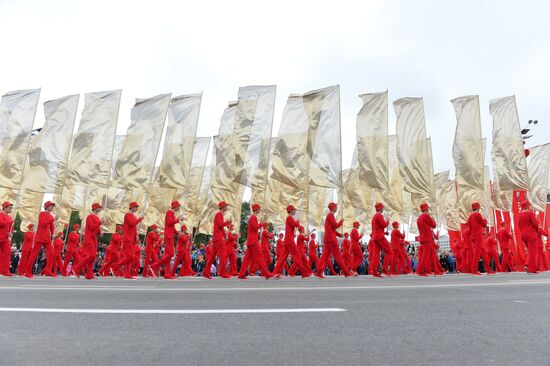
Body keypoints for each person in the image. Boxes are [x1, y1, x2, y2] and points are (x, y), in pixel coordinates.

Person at [318, 202, 355, 278]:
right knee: (338, 256)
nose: (337, 207)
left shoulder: (329, 216)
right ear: (333, 207)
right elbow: (335, 225)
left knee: (324, 256)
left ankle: (319, 271)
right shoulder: (330, 215)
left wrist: (339, 235)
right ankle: (346, 272)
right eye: (336, 206)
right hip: (331, 240)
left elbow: (331, 229)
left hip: (328, 239)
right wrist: (341, 221)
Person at [237, 203, 273, 279]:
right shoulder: (253, 217)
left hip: (251, 241)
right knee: (259, 257)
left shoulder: (253, 217)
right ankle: (266, 273)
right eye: (259, 208)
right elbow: (255, 228)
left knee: (247, 259)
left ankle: (241, 274)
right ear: (256, 209)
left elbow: (254, 228)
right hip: (253, 241)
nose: (260, 209)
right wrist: (262, 223)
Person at [152, 201, 184, 279]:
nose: (179, 207)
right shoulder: (169, 212)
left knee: (168, 255)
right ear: (175, 206)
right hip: (169, 236)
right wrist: (178, 219)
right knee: (171, 254)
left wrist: (177, 233)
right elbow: (170, 222)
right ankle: (154, 265)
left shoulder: (172, 213)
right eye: (178, 206)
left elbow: (172, 226)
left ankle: (167, 274)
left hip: (170, 235)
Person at [25, 201, 57, 278]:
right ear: (47, 206)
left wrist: (52, 233)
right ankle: (28, 272)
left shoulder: (50, 215)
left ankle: (47, 271)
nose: (52, 207)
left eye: (52, 206)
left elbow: (51, 226)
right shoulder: (42, 214)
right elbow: (43, 223)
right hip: (40, 236)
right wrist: (53, 219)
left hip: (47, 237)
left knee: (51, 254)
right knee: (34, 255)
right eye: (51, 205)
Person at [73, 203, 102, 279]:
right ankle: (77, 267)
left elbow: (97, 230)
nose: (100, 208)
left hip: (94, 238)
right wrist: (99, 223)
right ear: (95, 208)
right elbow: (92, 227)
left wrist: (100, 232)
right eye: (99, 207)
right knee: (91, 255)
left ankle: (89, 274)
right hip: (89, 238)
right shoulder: (90, 217)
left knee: (93, 257)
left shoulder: (98, 218)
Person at [203, 201, 232, 279]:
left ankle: (206, 272)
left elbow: (220, 227)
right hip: (218, 238)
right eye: (225, 206)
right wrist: (227, 222)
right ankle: (223, 273)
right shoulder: (219, 214)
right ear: (222, 207)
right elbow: (220, 225)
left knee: (212, 256)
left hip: (217, 237)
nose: (226, 207)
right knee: (223, 256)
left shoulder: (220, 214)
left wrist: (224, 235)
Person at [118, 202, 143, 279]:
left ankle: (127, 273)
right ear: (131, 207)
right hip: (127, 238)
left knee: (130, 258)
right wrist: (140, 219)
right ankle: (116, 265)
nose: (136, 208)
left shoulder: (134, 216)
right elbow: (132, 224)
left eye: (137, 207)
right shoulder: (127, 215)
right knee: (131, 256)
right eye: (135, 207)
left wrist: (136, 236)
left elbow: (134, 228)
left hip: (132, 239)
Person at [416, 203, 442, 276]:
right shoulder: (426, 215)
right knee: (426, 255)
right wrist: (433, 220)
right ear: (426, 209)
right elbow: (434, 225)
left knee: (433, 255)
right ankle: (421, 271)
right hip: (428, 238)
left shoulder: (418, 218)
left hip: (424, 238)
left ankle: (437, 270)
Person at [467, 202, 493, 275]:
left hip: (473, 236)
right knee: (477, 254)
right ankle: (474, 270)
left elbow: (470, 229)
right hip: (478, 236)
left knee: (483, 253)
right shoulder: (477, 214)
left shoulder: (470, 216)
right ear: (478, 208)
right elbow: (484, 224)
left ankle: (488, 269)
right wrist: (485, 219)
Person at [369, 202, 392, 277]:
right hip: (380, 237)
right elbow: (384, 225)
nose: (383, 209)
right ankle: (384, 270)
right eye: (382, 208)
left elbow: (377, 228)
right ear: (380, 208)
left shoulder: (374, 216)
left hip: (375, 237)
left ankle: (374, 271)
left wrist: (384, 233)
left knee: (375, 255)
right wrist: (388, 220)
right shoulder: (379, 215)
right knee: (389, 252)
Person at [518, 200, 539, 274]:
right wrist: (536, 231)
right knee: (533, 252)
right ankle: (532, 269)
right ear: (528, 206)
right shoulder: (530, 213)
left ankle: (527, 264)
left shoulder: (520, 214)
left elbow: (519, 225)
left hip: (523, 235)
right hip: (531, 234)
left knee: (530, 251)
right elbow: (535, 224)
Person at [0, 201, 14, 276]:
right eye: (9, 208)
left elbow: (11, 228)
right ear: (4, 208)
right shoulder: (0, 214)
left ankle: (5, 271)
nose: (11, 209)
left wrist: (11, 233)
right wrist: (9, 221)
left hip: (6, 238)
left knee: (8, 254)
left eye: (11, 208)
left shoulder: (10, 217)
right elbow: (1, 223)